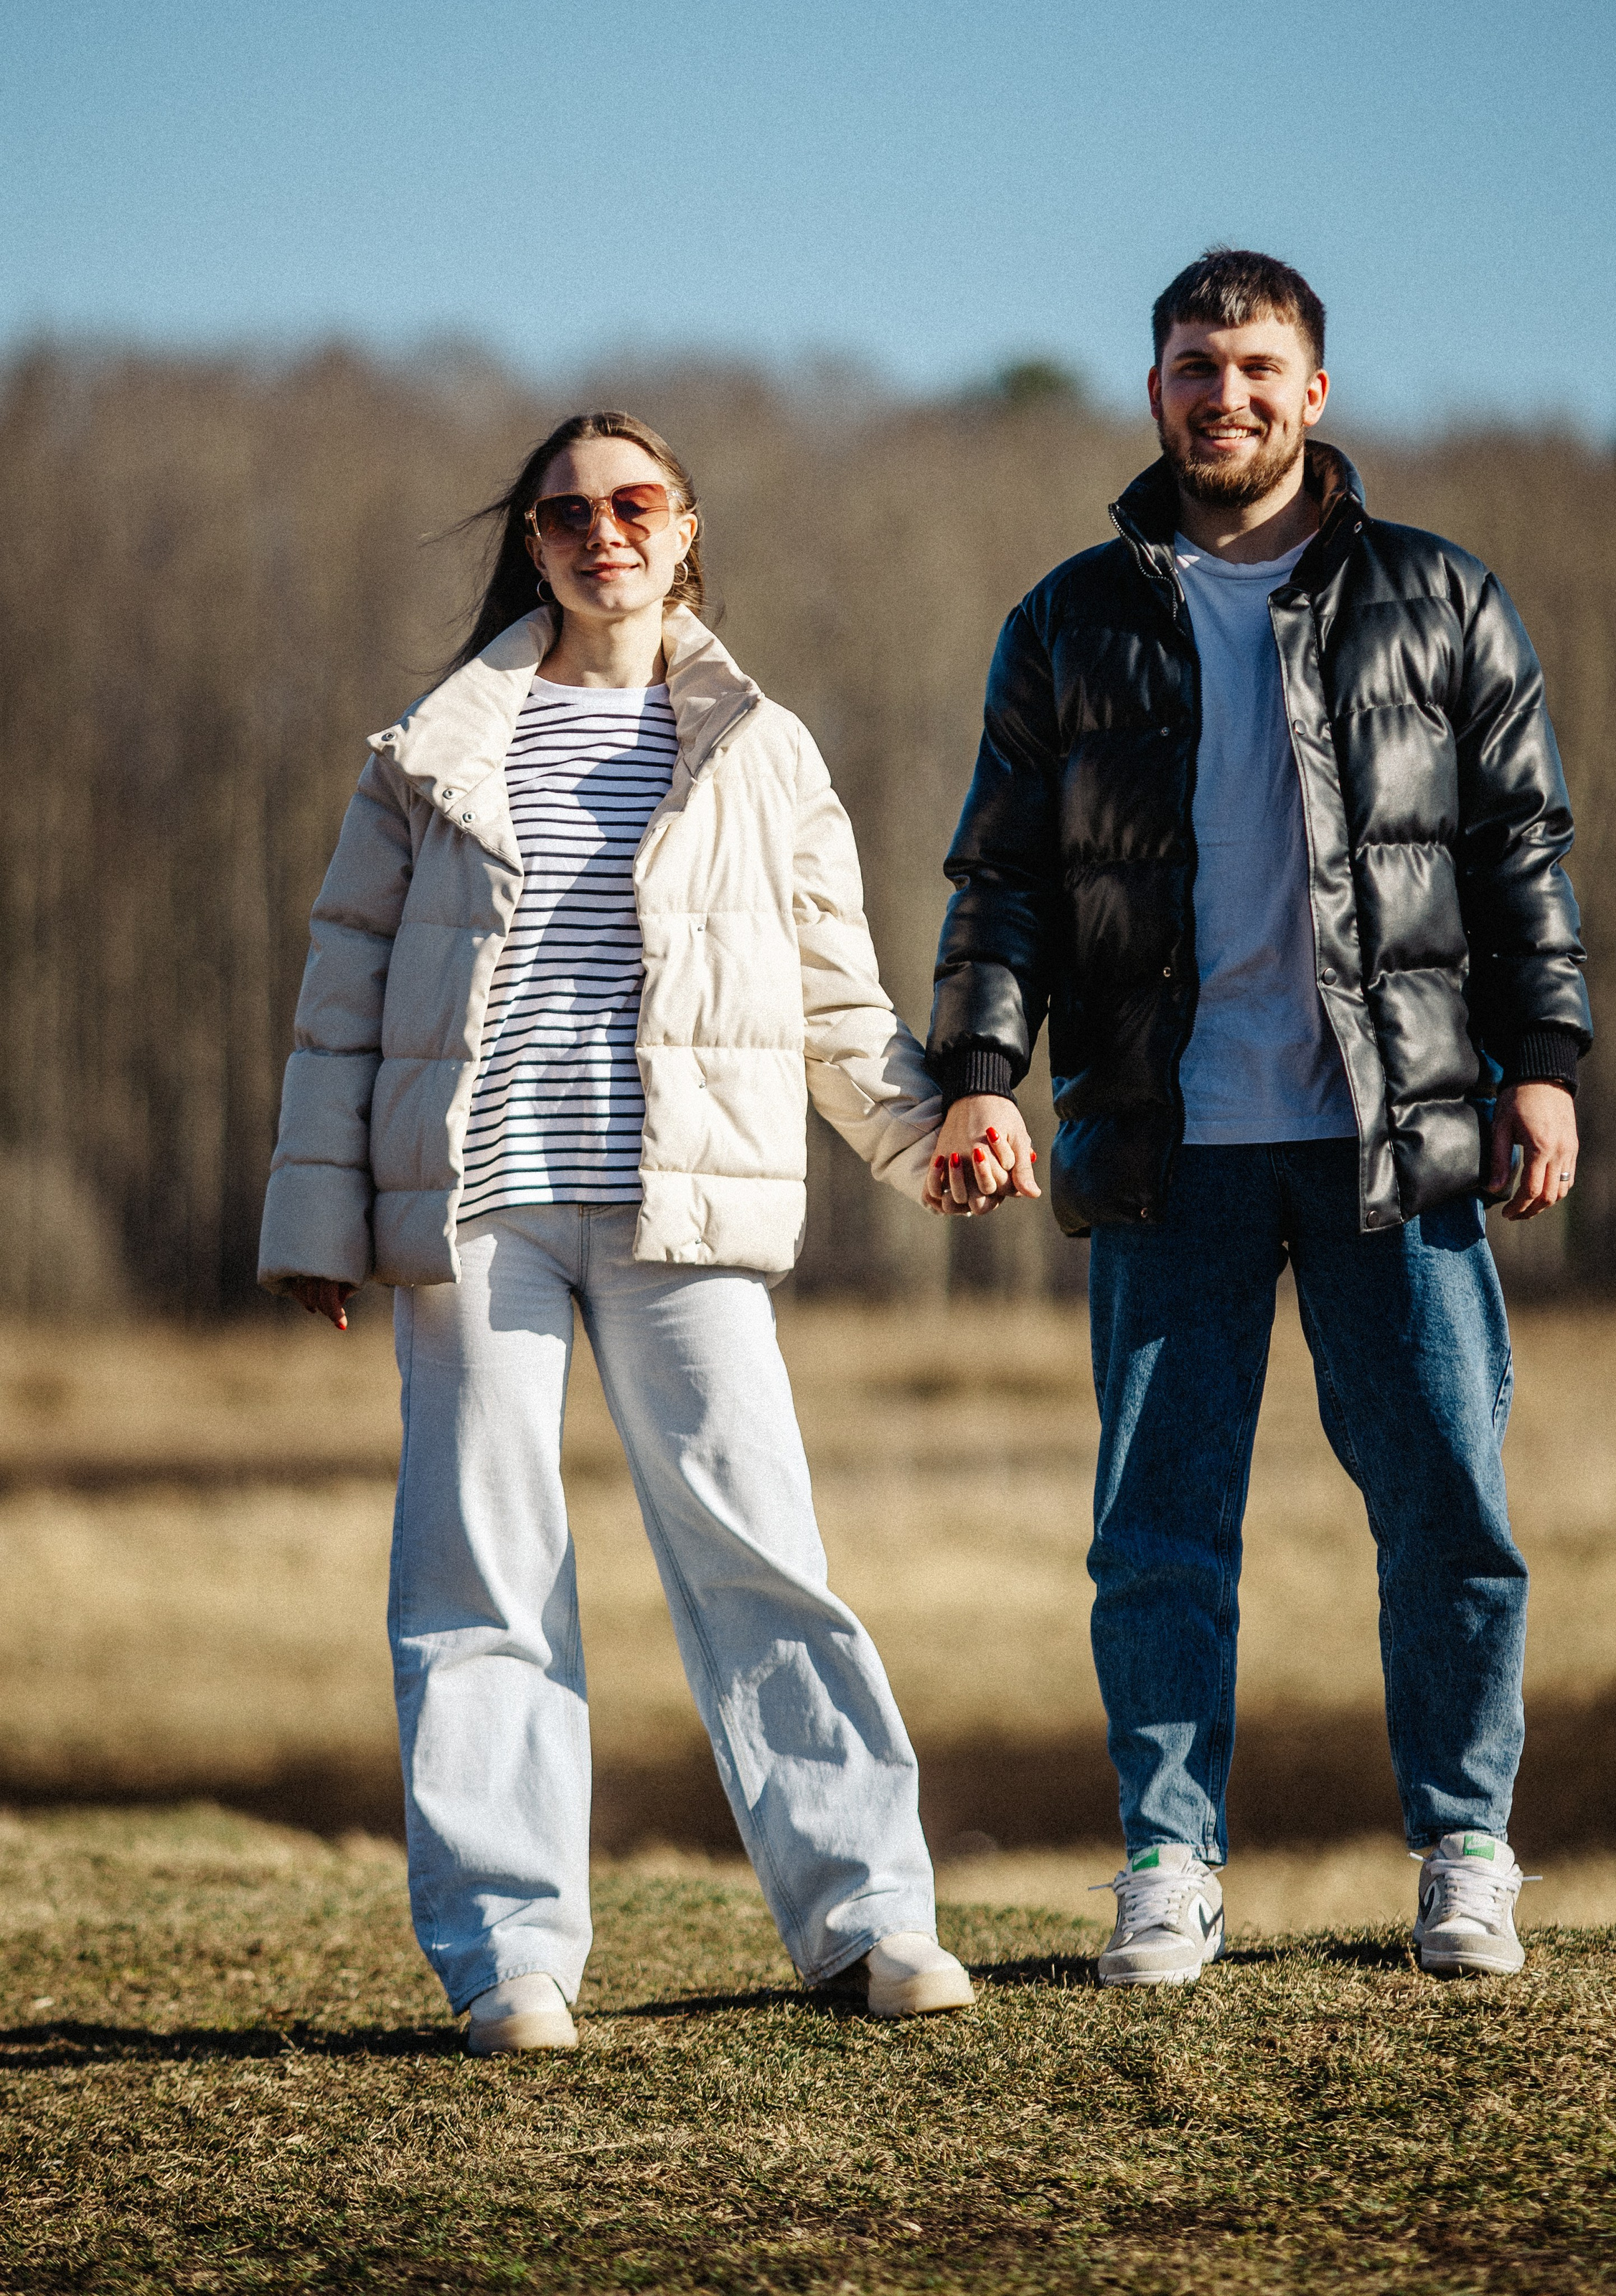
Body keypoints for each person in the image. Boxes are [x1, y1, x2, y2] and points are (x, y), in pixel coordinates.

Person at [259, 410, 974, 2049]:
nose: (603, 529)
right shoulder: (429, 748)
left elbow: (832, 991)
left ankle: (871, 1921)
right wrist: (315, 1215)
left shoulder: (762, 744)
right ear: (531, 542)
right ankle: (510, 1956)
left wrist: (922, 1133)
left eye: (633, 501)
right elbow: (343, 995)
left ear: (684, 524)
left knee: (759, 1553)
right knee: (479, 1573)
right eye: (566, 509)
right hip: (479, 1210)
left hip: (686, 1203)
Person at [924, 249, 1590, 1985]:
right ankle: (1165, 1858)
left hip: (1401, 1136)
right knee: (1157, 1525)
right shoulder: (1069, 618)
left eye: (1258, 366)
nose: (1225, 395)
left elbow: (1517, 849)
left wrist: (1542, 1061)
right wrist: (979, 1074)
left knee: (1445, 1499)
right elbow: (999, 877)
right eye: (1193, 366)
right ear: (1153, 392)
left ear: (1315, 392)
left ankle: (1463, 1846)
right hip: (1161, 1137)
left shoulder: (1439, 600)